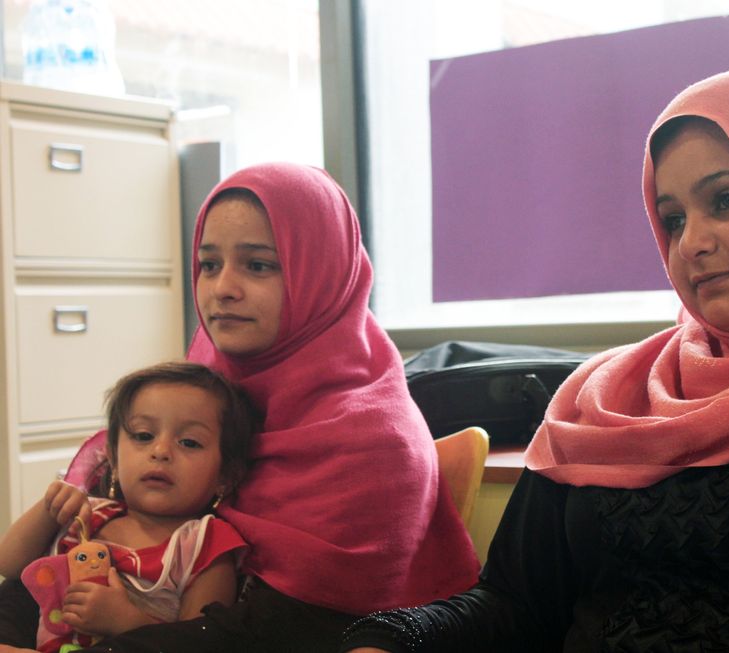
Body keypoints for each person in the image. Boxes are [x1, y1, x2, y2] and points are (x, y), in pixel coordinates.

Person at [337, 67, 729, 652]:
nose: (692, 244)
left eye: (726, 199)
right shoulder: (605, 397)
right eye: (671, 219)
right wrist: (395, 639)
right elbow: (516, 605)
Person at [0, 163, 480, 652]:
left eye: (258, 265)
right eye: (209, 264)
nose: (221, 288)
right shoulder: (206, 390)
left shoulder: (372, 441)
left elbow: (268, 634)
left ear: (320, 273)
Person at [0, 361, 258, 652]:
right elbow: (8, 563)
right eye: (143, 436)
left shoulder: (205, 545)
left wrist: (127, 620)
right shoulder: (88, 516)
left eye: (189, 442)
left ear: (225, 476)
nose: (160, 452)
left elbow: (198, 642)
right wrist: (48, 510)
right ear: (112, 457)